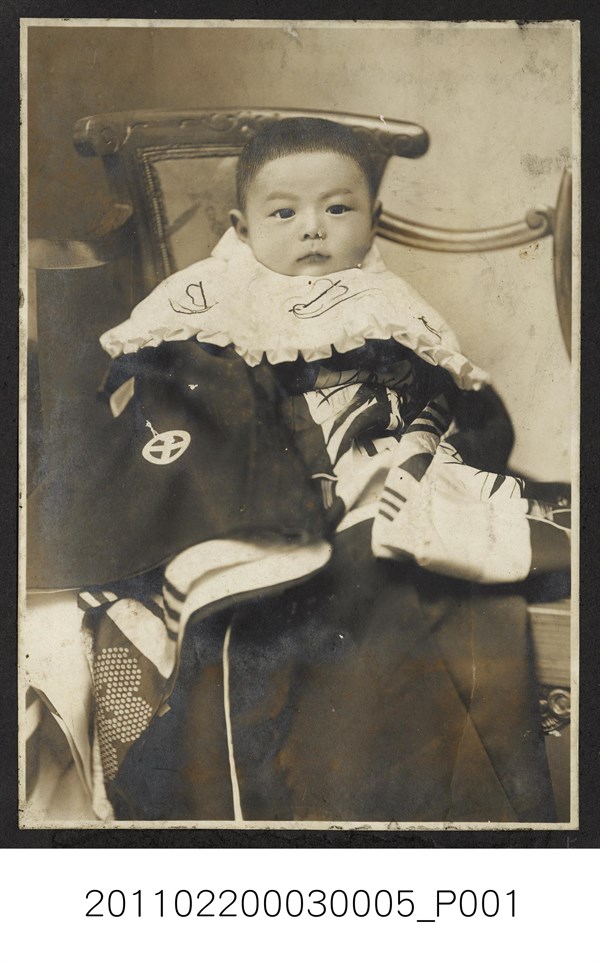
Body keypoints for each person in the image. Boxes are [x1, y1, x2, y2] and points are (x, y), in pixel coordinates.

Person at [28, 118, 568, 823]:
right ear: (242, 226)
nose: (313, 228)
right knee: (252, 596)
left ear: (372, 220)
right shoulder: (211, 299)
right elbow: (172, 403)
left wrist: (408, 437)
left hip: (365, 464)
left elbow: (445, 398)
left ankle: (389, 796)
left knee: (397, 573)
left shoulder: (384, 301)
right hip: (245, 475)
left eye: (337, 209)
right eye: (284, 213)